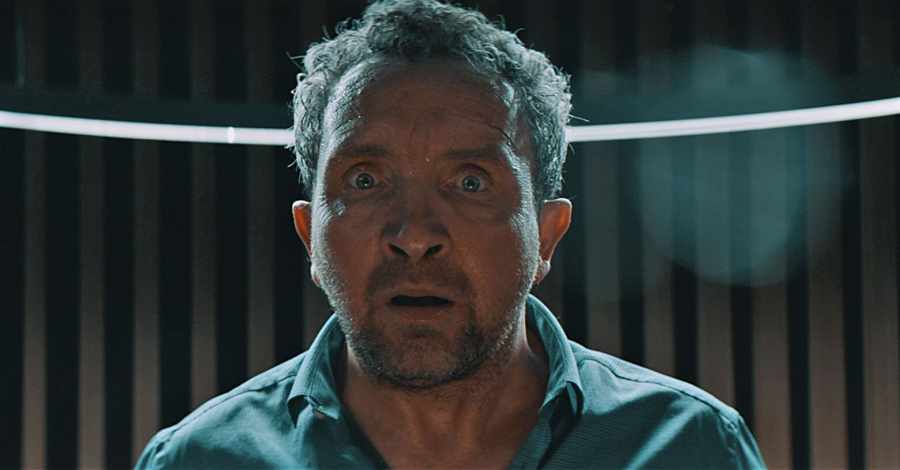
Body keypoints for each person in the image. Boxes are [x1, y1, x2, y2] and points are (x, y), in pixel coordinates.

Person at [137, 0, 766, 468]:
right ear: (310, 236)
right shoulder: (199, 460)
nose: (415, 235)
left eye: (470, 182)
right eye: (364, 180)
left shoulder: (689, 446)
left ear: (546, 235)